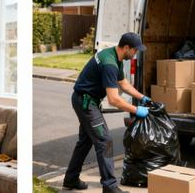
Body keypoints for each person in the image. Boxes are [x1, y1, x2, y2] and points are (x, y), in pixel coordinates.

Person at [63, 32, 153, 193]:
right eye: (135, 50)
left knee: (85, 141)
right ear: (126, 48)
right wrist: (136, 110)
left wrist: (143, 97)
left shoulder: (114, 56)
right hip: (86, 103)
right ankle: (109, 186)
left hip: (84, 100)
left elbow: (124, 85)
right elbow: (114, 100)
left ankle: (71, 179)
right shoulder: (110, 64)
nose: (136, 54)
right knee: (105, 141)